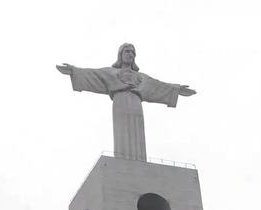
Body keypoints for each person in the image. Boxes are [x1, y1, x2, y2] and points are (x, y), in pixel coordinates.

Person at [57, 43, 196, 161]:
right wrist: (74, 71)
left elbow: (159, 86)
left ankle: (139, 162)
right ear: (120, 55)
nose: (130, 54)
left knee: (137, 132)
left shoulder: (142, 78)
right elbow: (93, 74)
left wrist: (177, 90)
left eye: (133, 53)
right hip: (120, 102)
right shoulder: (110, 72)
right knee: (122, 133)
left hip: (136, 105)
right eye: (127, 51)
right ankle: (123, 160)